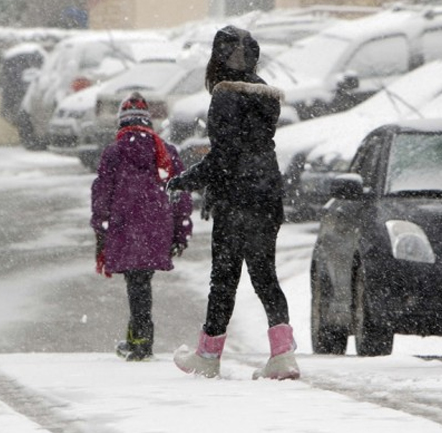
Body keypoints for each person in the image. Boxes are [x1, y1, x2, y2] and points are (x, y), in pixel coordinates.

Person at [166, 25, 300, 380]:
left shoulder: (225, 95)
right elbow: (250, 149)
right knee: (265, 276)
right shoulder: (266, 96)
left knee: (223, 279)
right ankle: (283, 355)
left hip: (237, 200)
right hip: (268, 194)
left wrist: (187, 181)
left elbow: (225, 155)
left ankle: (208, 356)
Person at [91, 91, 193, 361]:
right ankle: (138, 337)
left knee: (136, 281)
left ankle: (140, 340)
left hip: (124, 226)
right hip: (157, 227)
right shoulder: (166, 152)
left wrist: (100, 229)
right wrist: (181, 231)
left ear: (121, 123)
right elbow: (180, 194)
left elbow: (102, 194)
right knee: (141, 280)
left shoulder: (115, 152)